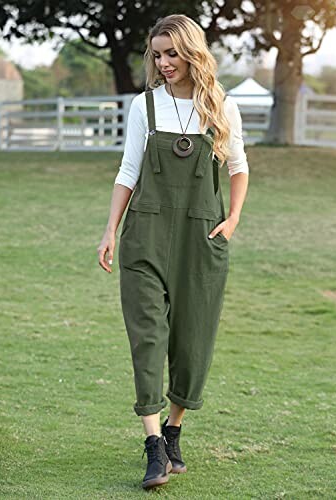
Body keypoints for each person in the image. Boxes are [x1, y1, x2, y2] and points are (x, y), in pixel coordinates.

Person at [97, 14, 249, 490]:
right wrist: (110, 230)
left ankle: (174, 432)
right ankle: (153, 447)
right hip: (145, 235)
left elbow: (239, 167)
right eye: (157, 54)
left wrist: (233, 219)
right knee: (147, 337)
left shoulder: (222, 106)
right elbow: (128, 169)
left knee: (192, 341)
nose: (163, 63)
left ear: (191, 53)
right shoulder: (145, 106)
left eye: (172, 54)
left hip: (201, 239)